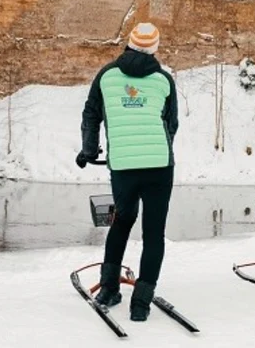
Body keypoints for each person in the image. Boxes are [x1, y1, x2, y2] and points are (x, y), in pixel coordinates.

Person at [76, 22, 179, 321]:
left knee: (122, 222)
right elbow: (171, 124)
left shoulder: (107, 76)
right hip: (160, 166)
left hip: (123, 166)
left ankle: (109, 289)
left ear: (129, 43)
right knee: (154, 234)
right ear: (154, 48)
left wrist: (90, 150)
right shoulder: (163, 80)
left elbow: (91, 115)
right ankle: (141, 304)